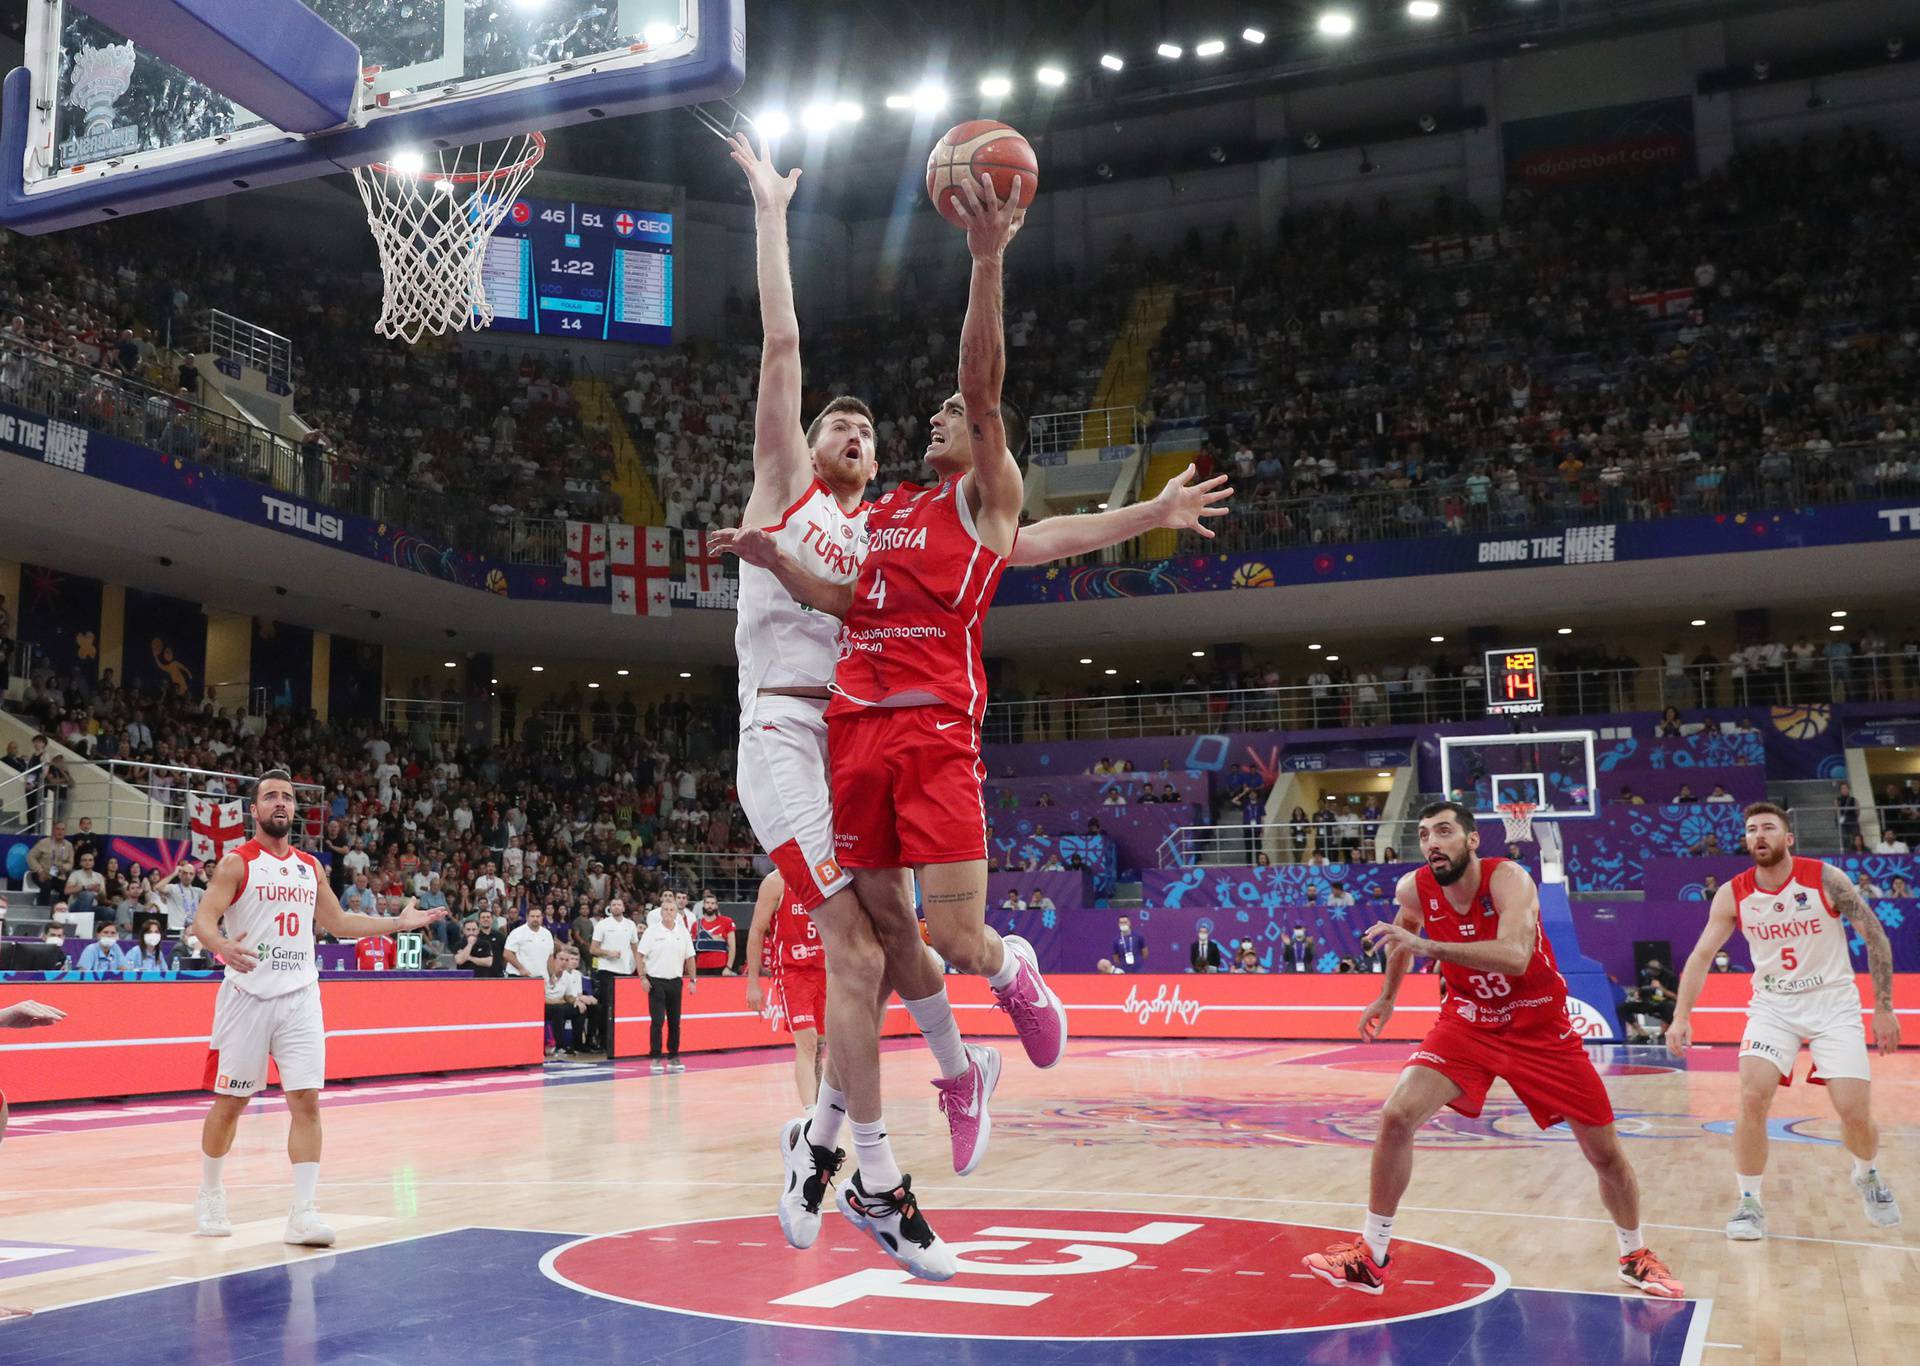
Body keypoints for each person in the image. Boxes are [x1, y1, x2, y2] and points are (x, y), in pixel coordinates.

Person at [713, 157, 1230, 1277]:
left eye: (865, 426)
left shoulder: (901, 524)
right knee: (856, 943)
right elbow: (782, 353)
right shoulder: (787, 490)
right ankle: (870, 1170)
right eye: (833, 425)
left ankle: (928, 1088)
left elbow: (1022, 539)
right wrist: (769, 214)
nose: (851, 430)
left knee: (904, 937)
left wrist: (1145, 509)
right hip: (789, 736)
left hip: (881, 737)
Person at [1303, 801, 1682, 1299]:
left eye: (1443, 831)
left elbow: (1514, 955)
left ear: (1471, 840)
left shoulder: (1509, 880)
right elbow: (1403, 936)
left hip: (1539, 1028)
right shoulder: (1413, 888)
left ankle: (1634, 1255)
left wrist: (1431, 950)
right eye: (1423, 835)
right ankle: (1370, 1257)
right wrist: (1388, 996)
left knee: (1604, 1154)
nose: (1432, 843)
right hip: (1468, 1024)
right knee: (1397, 1116)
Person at [191, 769, 445, 1246]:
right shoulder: (235, 863)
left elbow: (341, 922)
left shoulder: (310, 866)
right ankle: (209, 1192)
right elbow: (203, 921)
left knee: (306, 1101)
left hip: (301, 996)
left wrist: (398, 923)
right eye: (270, 797)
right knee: (232, 1103)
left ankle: (303, 1213)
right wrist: (223, 945)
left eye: (287, 796)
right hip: (246, 996)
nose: (280, 803)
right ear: (255, 809)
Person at [1667, 802, 1901, 1238]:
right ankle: (1749, 1203)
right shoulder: (1732, 894)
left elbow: (1875, 935)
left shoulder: (1826, 879)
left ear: (1788, 838)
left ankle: (1866, 1173)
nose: (1759, 835)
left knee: (1853, 1112)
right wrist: (1681, 1016)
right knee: (1753, 1099)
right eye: (1752, 829)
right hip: (1773, 1007)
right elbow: (1700, 956)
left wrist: (1883, 1007)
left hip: (1833, 1004)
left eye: (1769, 828)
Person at [744, 871, 829, 1119]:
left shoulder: (824, 874)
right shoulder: (776, 882)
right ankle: (811, 1114)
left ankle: (821, 1108)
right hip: (793, 973)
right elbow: (756, 931)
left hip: (825, 970)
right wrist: (753, 983)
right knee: (808, 1041)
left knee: (820, 1045)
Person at [639, 898, 697, 1072]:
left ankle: (673, 1056)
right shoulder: (652, 932)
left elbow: (690, 957)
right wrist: (642, 977)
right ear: (660, 912)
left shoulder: (683, 932)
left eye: (672, 910)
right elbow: (640, 954)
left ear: (677, 913)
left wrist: (693, 980)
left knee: (674, 1021)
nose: (669, 913)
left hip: (675, 981)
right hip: (656, 981)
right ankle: (655, 1057)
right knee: (657, 1021)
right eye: (665, 910)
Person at [543, 945, 596, 1057]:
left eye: (566, 960)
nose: (563, 962)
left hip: (560, 1004)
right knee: (558, 1010)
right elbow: (539, 998)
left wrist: (576, 1001)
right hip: (545, 1005)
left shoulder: (566, 976)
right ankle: (559, 1046)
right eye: (561, 959)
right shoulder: (544, 974)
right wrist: (556, 1001)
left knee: (580, 1008)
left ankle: (576, 1043)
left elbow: (568, 996)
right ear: (553, 959)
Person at [503, 906, 555, 980]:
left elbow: (550, 957)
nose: (535, 919)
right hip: (519, 977)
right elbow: (507, 954)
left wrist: (552, 974)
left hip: (540, 978)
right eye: (532, 916)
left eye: (538, 916)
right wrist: (521, 969)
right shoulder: (517, 932)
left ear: (542, 917)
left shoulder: (547, 934)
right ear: (527, 917)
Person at [693, 891, 736, 975]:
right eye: (707, 903)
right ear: (703, 905)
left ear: (716, 906)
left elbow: (732, 947)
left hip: (720, 967)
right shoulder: (696, 925)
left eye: (713, 903)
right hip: (700, 967)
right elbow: (692, 950)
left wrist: (728, 967)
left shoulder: (727, 921)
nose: (710, 905)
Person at [457, 910, 504, 977]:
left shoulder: (500, 936)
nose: (486, 919)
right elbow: (459, 960)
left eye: (488, 917)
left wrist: (469, 958)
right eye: (483, 917)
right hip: (477, 976)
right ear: (479, 920)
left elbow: (504, 955)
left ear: (492, 919)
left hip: (497, 974)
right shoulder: (470, 938)